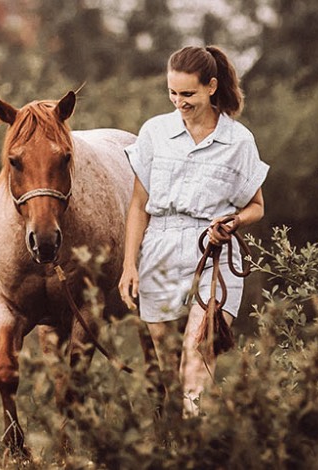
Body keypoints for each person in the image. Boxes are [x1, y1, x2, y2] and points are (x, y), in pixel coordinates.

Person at [119, 45, 269, 416]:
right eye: (172, 93)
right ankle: (179, 438)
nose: (178, 102)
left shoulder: (239, 141)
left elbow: (257, 207)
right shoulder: (154, 132)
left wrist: (231, 223)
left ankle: (196, 437)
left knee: (199, 350)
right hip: (160, 248)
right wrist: (129, 265)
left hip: (214, 253)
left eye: (188, 94)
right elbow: (139, 205)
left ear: (212, 86)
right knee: (169, 363)